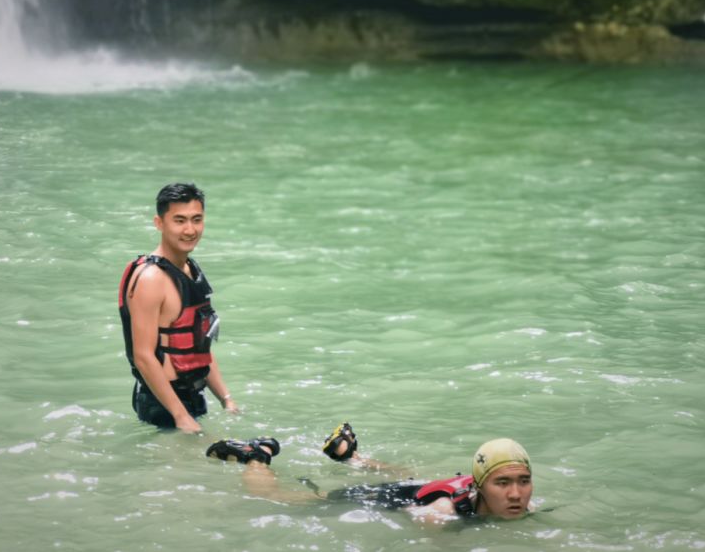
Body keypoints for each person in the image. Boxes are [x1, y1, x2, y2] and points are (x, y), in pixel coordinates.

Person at [205, 423, 534, 522]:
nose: (516, 494)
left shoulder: (522, 506)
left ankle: (353, 458)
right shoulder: (443, 514)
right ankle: (256, 455)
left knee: (411, 473)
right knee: (279, 499)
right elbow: (415, 521)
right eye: (502, 483)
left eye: (523, 481)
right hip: (387, 498)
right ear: (479, 485)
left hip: (421, 486)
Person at [118, 182, 239, 432]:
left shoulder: (190, 269)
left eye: (197, 219)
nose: (190, 229)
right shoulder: (151, 279)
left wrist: (226, 399)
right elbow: (143, 356)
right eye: (180, 220)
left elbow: (197, 343)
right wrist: (180, 416)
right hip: (163, 406)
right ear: (159, 223)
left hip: (192, 398)